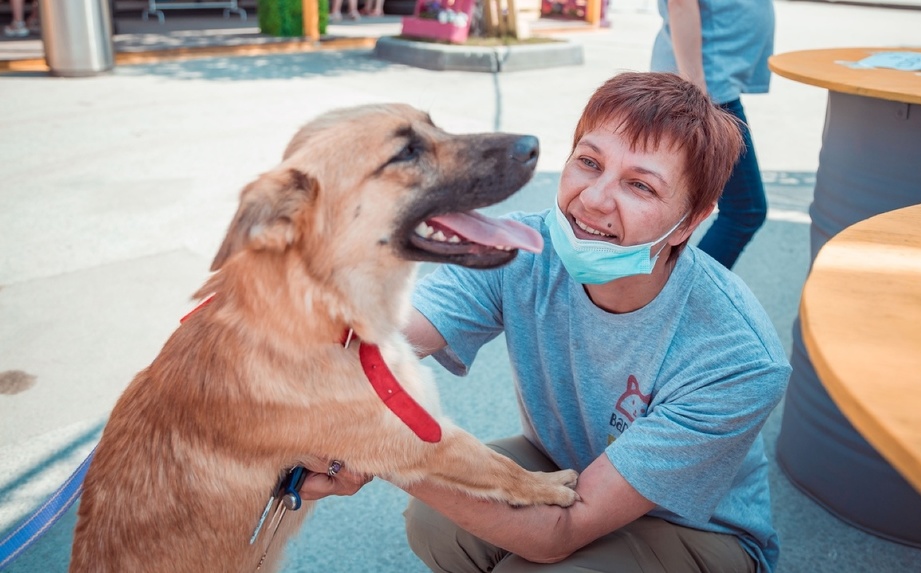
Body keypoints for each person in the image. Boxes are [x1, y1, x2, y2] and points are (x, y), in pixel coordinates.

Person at [303, 72, 791, 573]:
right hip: (570, 464)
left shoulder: (739, 356)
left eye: (640, 185)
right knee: (437, 519)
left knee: (533, 560)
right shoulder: (523, 248)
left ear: (689, 222)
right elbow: (389, 336)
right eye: (588, 162)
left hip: (698, 532)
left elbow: (561, 534)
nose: (595, 199)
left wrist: (383, 446)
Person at [649, 0, 775, 269]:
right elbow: (681, 4)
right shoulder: (702, 96)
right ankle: (683, 297)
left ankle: (673, 295)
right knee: (745, 210)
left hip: (710, 85)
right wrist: (697, 93)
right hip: (704, 90)